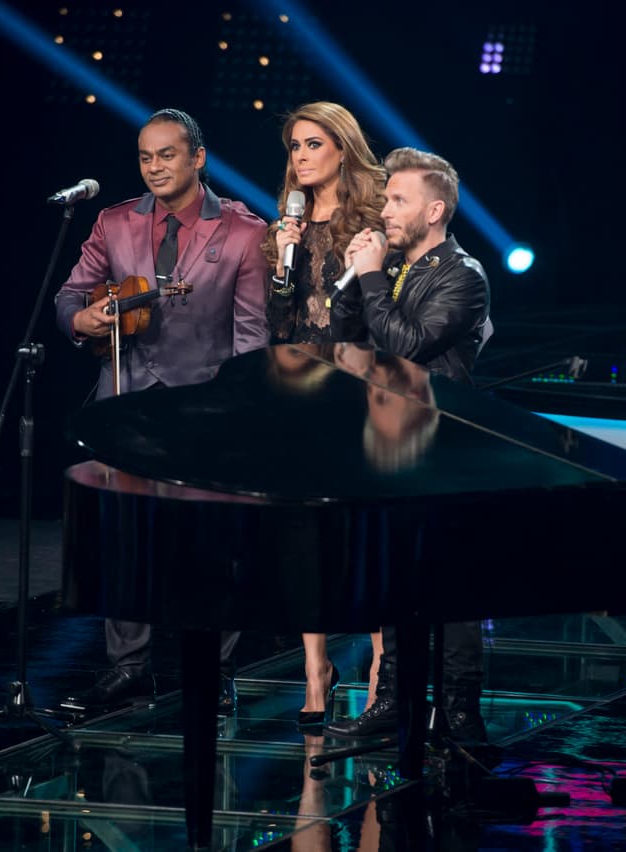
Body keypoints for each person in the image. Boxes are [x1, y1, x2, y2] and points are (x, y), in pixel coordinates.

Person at [54, 108, 269, 715]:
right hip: (123, 402)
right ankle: (127, 669)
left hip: (206, 408)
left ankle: (216, 671)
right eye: (146, 157)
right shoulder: (114, 221)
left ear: (198, 157)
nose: (154, 167)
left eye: (167, 155)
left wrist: (238, 413)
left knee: (211, 543)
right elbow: (73, 290)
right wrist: (80, 318)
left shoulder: (245, 232)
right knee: (123, 540)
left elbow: (252, 337)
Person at [325, 146, 493, 744]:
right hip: (387, 437)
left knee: (453, 582)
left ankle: (459, 709)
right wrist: (349, 283)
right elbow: (346, 343)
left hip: (441, 443)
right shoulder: (393, 269)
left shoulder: (463, 275)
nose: (386, 209)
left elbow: (407, 346)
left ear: (436, 209)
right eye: (387, 197)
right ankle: (395, 701)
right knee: (393, 575)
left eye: (399, 200)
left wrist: (370, 277)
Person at [261, 102, 387, 728]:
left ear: (342, 148)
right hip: (302, 390)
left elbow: (377, 314)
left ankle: (380, 665)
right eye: (293, 147)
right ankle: (316, 670)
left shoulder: (372, 221)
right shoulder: (287, 227)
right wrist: (282, 264)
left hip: (361, 388)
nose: (300, 157)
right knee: (306, 534)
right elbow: (278, 326)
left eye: (312, 144)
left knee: (365, 534)